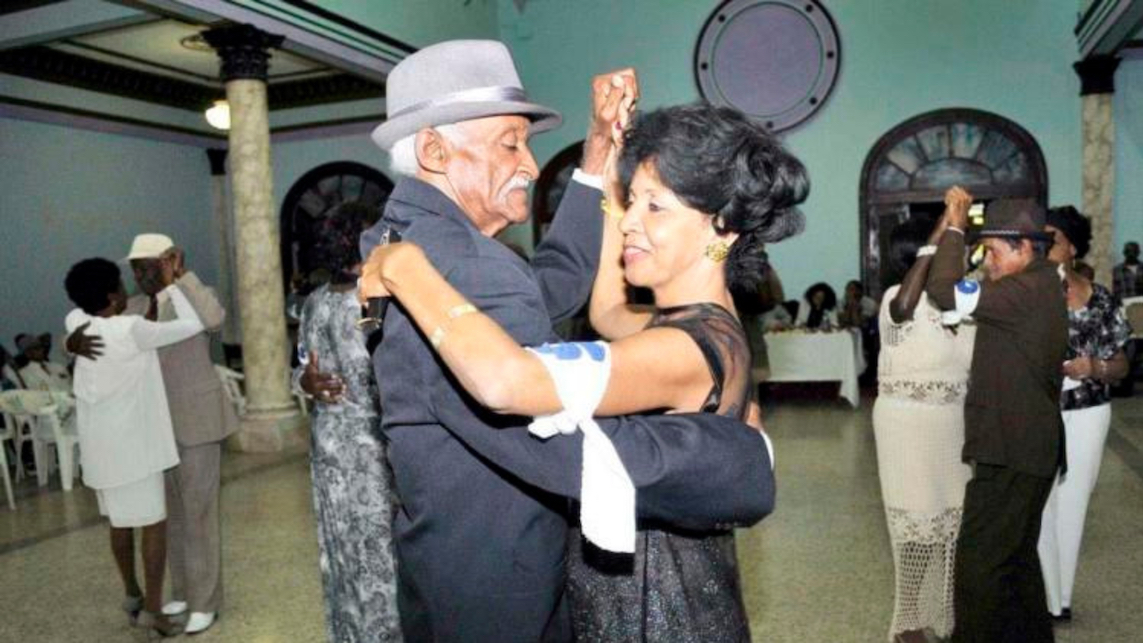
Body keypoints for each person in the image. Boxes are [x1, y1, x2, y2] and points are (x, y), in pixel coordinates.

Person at [356, 40, 775, 642]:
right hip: (503, 587)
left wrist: (598, 155)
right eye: (510, 142)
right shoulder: (455, 263)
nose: (530, 164)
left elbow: (541, 290)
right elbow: (552, 435)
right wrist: (733, 455)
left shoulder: (414, 239)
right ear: (434, 149)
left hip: (449, 561)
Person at [69, 234, 235, 635]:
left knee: (198, 514)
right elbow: (90, 324)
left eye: (148, 267)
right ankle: (181, 590)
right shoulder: (136, 307)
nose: (141, 277)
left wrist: (181, 278)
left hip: (195, 420)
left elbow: (213, 320)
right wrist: (70, 342)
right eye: (135, 270)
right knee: (171, 516)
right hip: (153, 431)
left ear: (169, 261)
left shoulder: (196, 295)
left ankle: (205, 601)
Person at [926, 194, 1068, 643]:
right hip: (1022, 446)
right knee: (1015, 560)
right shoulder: (1036, 285)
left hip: (1014, 449)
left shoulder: (1026, 289)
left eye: (993, 251)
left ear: (1026, 248)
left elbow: (943, 289)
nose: (986, 261)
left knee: (979, 566)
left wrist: (954, 226)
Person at [291, 207, 402, 642]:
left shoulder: (316, 300)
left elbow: (300, 369)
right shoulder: (374, 303)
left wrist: (305, 382)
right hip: (372, 450)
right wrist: (305, 381)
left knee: (344, 552)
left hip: (330, 445)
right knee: (378, 558)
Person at [874, 191, 976, 643]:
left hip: (952, 425)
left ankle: (942, 614)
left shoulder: (964, 301)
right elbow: (904, 309)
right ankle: (908, 621)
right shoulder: (898, 300)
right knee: (915, 526)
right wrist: (942, 228)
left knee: (948, 526)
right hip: (906, 427)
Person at [1037, 206, 1131, 622]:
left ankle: (1063, 599)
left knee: (1073, 502)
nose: (1043, 247)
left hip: (1088, 409)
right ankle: (1045, 594)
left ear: (1072, 247)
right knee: (1041, 503)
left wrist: (1096, 368)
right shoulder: (1028, 293)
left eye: (1051, 239)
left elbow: (1122, 363)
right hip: (1038, 410)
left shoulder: (1102, 299)